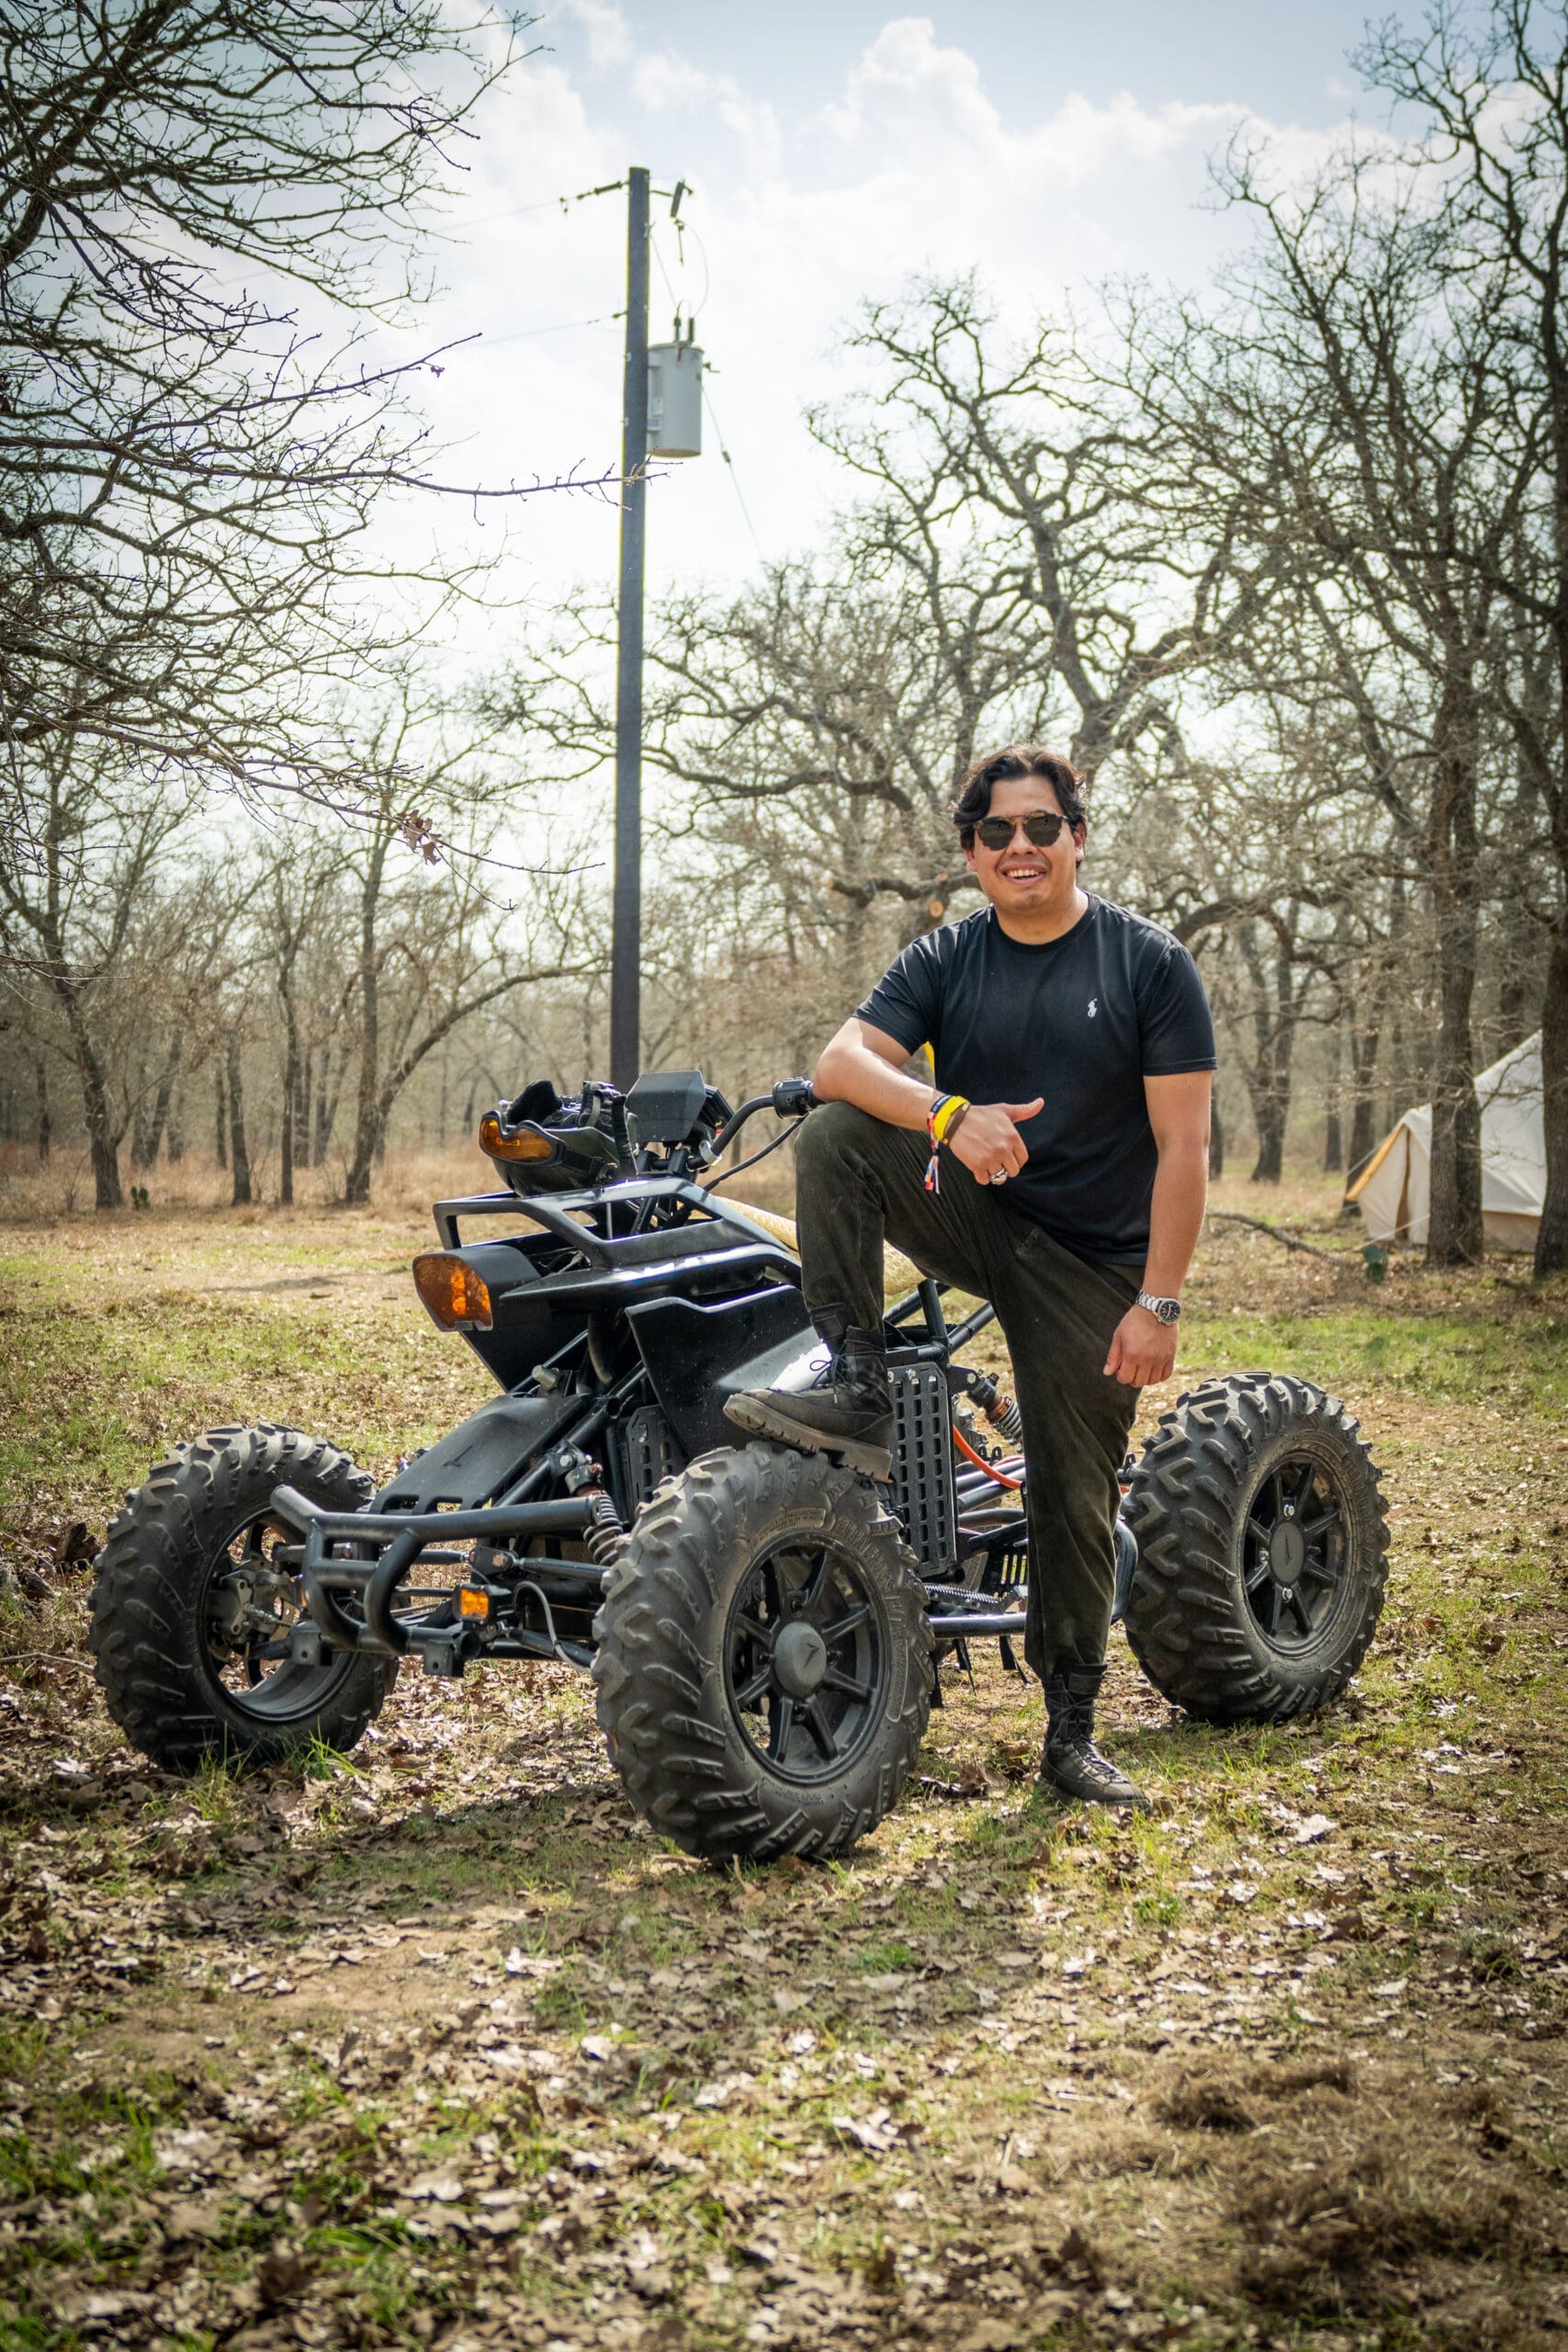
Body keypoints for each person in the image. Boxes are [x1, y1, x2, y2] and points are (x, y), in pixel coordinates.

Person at [727, 744, 1214, 1809]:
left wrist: (1158, 1302)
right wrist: (948, 1113)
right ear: (972, 852)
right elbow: (839, 1065)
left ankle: (1072, 1732)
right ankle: (856, 1377)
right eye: (998, 833)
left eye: (1043, 828)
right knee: (837, 1133)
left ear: (1077, 837)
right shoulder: (948, 958)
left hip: (1098, 1265)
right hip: (984, 1209)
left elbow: (1185, 1149)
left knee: (1068, 1491)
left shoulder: (1147, 964)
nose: (1022, 848)